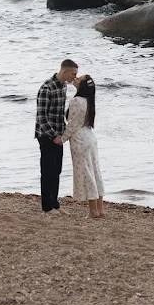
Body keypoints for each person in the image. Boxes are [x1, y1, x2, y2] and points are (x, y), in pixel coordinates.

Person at [35, 58, 78, 212]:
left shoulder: (63, 87)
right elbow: (41, 117)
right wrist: (54, 136)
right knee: (47, 171)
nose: (74, 77)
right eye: (73, 74)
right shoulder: (47, 88)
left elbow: (60, 114)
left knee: (57, 170)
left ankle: (55, 203)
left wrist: (65, 133)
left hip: (59, 136)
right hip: (46, 135)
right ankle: (47, 207)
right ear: (64, 71)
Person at [59, 74, 105, 219]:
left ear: (83, 85)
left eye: (79, 78)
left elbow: (73, 124)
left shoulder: (77, 101)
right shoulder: (89, 100)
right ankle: (100, 209)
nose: (76, 78)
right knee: (95, 171)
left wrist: (62, 139)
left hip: (80, 140)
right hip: (90, 137)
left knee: (86, 174)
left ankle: (93, 211)